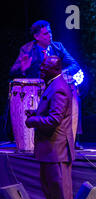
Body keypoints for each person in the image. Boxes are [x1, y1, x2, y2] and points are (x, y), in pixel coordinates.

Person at [11, 20, 83, 148]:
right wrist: (23, 68)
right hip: (35, 90)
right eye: (45, 34)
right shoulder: (27, 49)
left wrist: (60, 75)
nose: (49, 36)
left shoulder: (58, 47)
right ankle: (28, 141)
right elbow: (13, 71)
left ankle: (73, 138)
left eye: (49, 32)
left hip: (55, 88)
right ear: (36, 36)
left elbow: (75, 65)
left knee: (74, 93)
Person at [25, 56, 75, 199]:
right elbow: (51, 114)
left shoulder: (59, 88)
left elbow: (54, 120)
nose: (41, 70)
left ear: (56, 69)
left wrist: (32, 121)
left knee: (60, 189)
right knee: (50, 188)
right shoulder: (54, 84)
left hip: (57, 149)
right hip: (50, 149)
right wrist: (36, 113)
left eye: (45, 67)